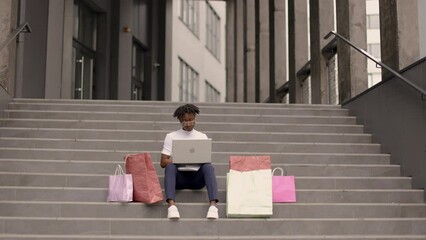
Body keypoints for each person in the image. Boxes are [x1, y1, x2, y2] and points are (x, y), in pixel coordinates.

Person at [160, 104, 219, 220]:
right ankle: (172, 207)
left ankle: (213, 207)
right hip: (179, 179)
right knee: (170, 166)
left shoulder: (202, 136)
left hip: (197, 179)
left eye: (191, 120)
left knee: (208, 166)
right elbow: (163, 162)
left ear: (195, 118)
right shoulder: (171, 136)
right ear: (180, 120)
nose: (188, 123)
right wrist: (178, 159)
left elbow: (206, 159)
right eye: (185, 121)